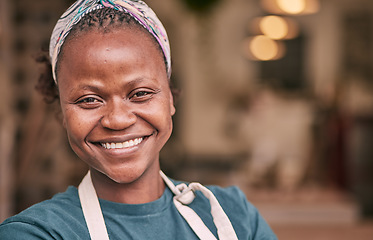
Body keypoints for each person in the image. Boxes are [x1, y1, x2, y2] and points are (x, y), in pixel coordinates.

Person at [0, 0, 277, 239]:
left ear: (170, 98)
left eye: (140, 93)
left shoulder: (232, 216)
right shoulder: (37, 233)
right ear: (62, 112)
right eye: (89, 100)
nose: (117, 120)